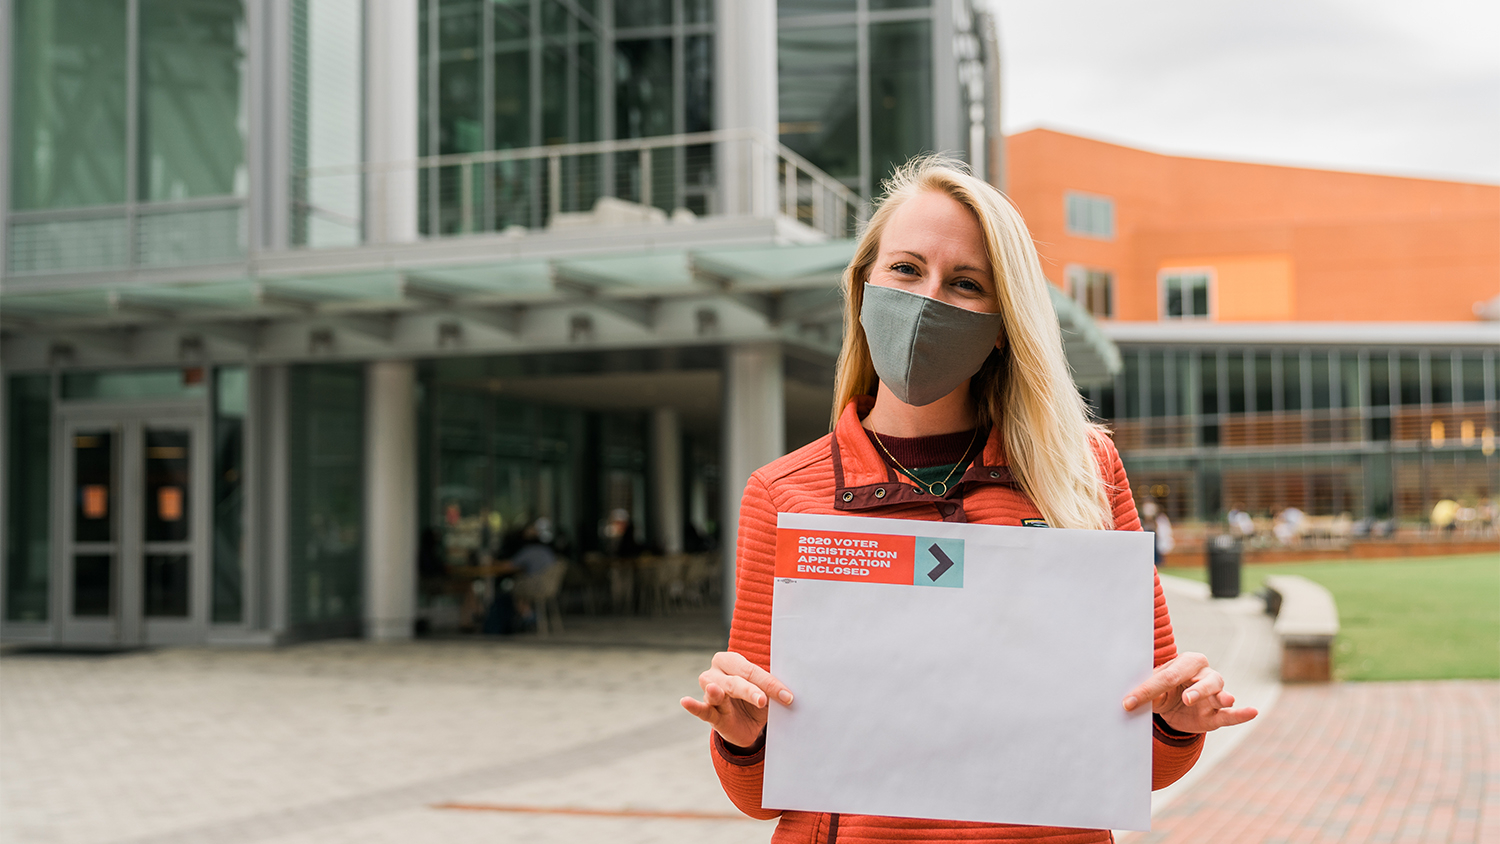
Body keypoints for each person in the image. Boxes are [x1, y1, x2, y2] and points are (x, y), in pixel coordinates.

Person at [679, 156, 1256, 842]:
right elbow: (759, 794)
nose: (927, 300)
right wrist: (744, 739)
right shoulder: (782, 494)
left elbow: (1144, 760)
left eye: (965, 283)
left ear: (1003, 322)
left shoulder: (1083, 471)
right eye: (905, 269)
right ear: (864, 285)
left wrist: (1176, 720)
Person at [1141, 499, 1175, 567]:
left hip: (1155, 534)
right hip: (1149, 532)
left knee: (1157, 548)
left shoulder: (1160, 519)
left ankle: (1158, 562)